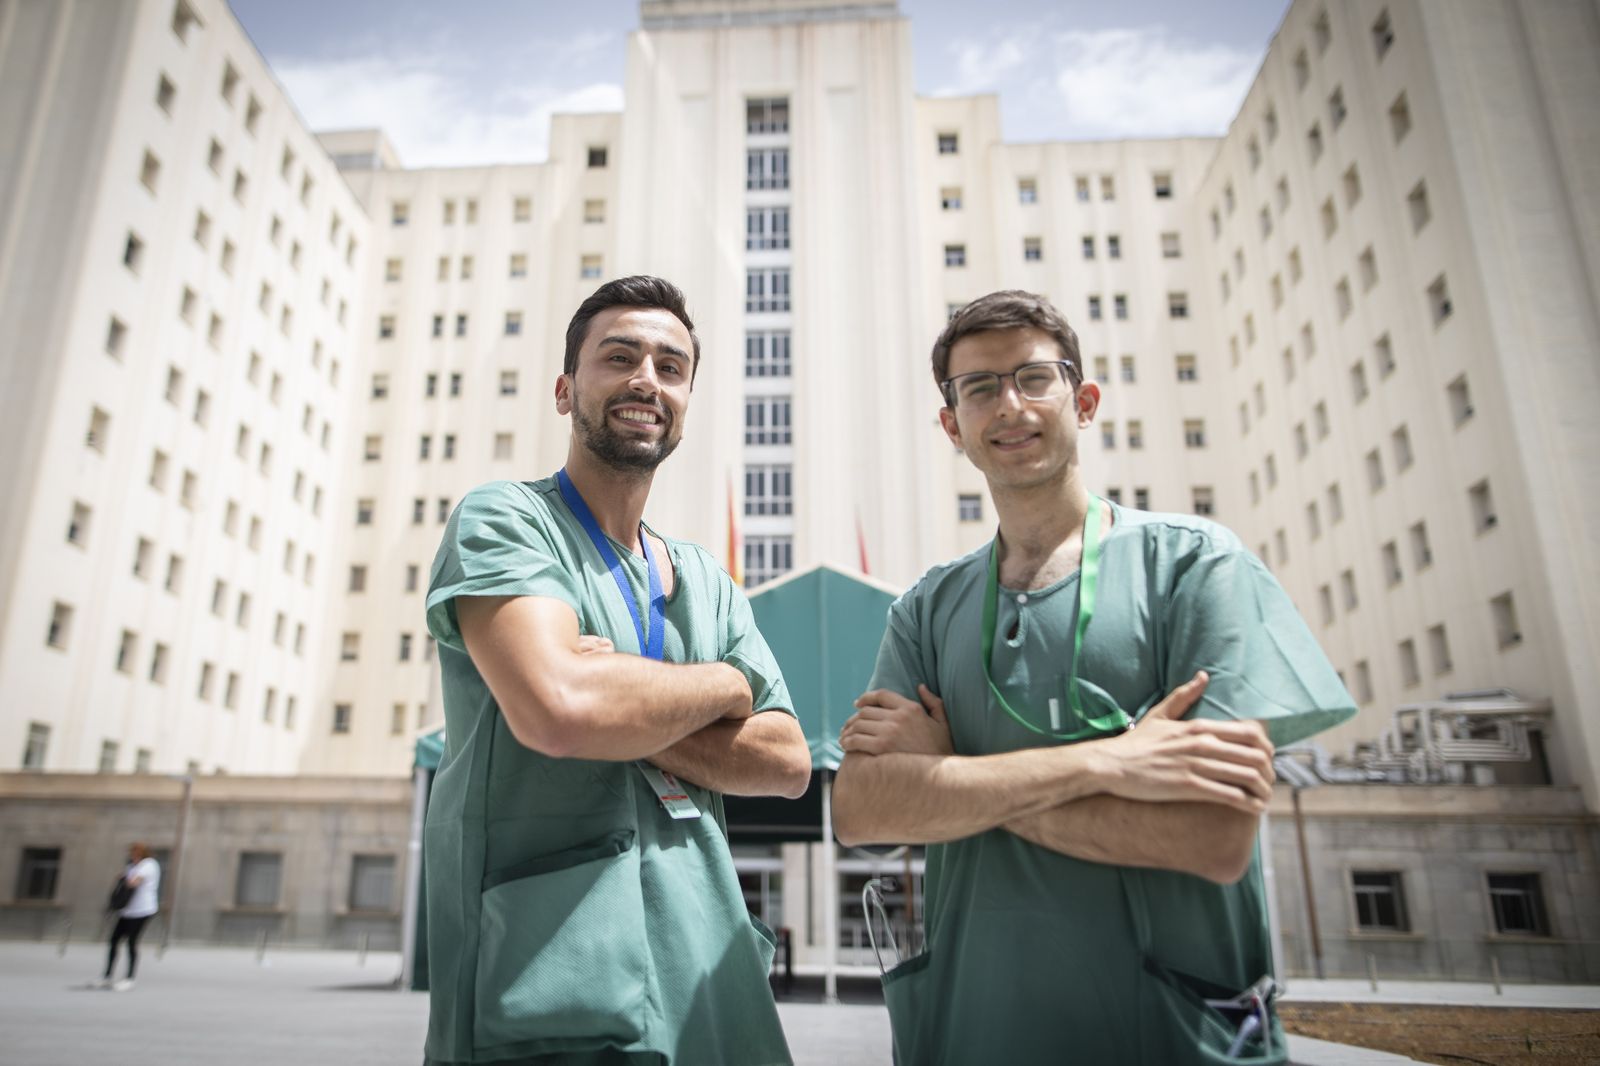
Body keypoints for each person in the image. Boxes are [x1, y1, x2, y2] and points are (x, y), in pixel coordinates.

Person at [832, 290, 1355, 1065]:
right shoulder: (925, 609)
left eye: (1033, 378)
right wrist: (1106, 764)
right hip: (974, 1032)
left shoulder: (1195, 566)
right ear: (953, 426)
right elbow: (864, 810)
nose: (1009, 405)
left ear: (1083, 401)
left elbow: (1212, 837)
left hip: (1168, 1035)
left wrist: (951, 777)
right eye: (979, 388)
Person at [421, 276, 811, 1066]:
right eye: (620, 357)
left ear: (686, 401)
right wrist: (724, 687)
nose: (647, 379)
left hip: (708, 980)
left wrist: (621, 695)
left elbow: (787, 761)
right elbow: (561, 710)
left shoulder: (705, 578)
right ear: (567, 390)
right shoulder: (505, 520)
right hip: (549, 976)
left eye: (671, 366)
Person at [104, 842, 159, 991]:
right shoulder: (132, 866)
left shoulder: (149, 864)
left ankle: (129, 978)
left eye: (135, 852)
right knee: (114, 940)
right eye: (131, 852)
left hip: (142, 910)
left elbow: (133, 883)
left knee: (131, 942)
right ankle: (107, 976)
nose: (132, 855)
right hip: (127, 911)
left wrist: (125, 879)